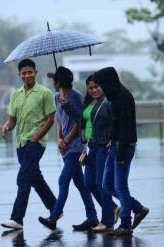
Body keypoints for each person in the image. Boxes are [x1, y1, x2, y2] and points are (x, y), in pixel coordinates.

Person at [38, 66, 99, 231]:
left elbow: (80, 123)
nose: (53, 84)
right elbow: (58, 118)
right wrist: (59, 139)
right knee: (80, 183)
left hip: (77, 148)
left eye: (54, 81)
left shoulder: (77, 97)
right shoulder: (57, 97)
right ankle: (92, 217)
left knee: (63, 180)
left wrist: (67, 139)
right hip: (65, 146)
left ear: (59, 81)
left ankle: (54, 216)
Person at [0, 59, 57, 230]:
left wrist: (36, 137)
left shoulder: (45, 93)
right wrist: (6, 126)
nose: (27, 75)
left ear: (36, 72)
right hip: (21, 142)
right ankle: (55, 207)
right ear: (20, 75)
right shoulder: (15, 94)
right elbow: (12, 119)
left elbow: (50, 119)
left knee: (23, 178)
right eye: (23, 73)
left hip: (36, 142)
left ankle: (17, 219)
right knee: (34, 177)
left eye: (29, 72)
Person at [60, 75, 121, 232]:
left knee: (102, 184)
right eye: (90, 88)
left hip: (103, 146)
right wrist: (66, 106)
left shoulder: (107, 102)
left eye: (96, 87)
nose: (94, 90)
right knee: (89, 183)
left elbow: (116, 121)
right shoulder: (89, 102)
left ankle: (107, 221)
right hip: (91, 146)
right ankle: (113, 208)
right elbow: (81, 120)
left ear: (102, 87)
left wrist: (113, 138)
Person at [93, 67, 149, 236]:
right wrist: (111, 139)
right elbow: (116, 123)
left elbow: (126, 126)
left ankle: (125, 224)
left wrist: (121, 153)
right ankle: (138, 208)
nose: (100, 88)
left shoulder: (124, 97)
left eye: (101, 84)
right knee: (106, 185)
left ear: (109, 82)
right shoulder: (114, 97)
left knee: (120, 186)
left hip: (124, 146)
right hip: (116, 144)